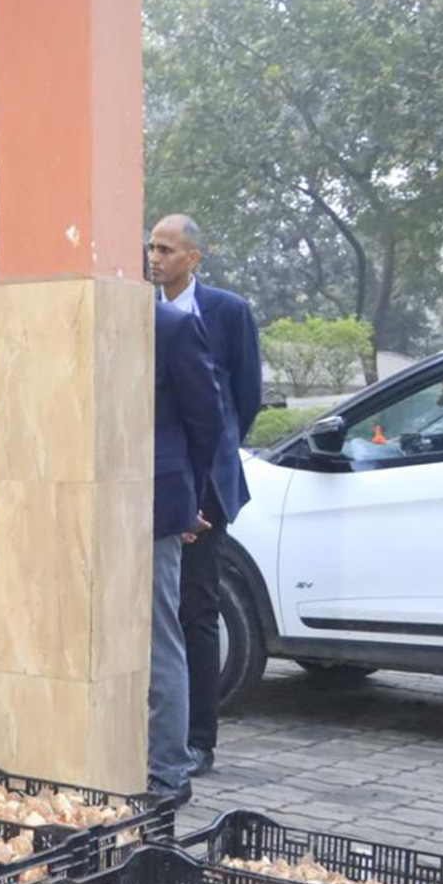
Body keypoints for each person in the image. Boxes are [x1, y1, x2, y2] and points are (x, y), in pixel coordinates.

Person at [148, 214, 262, 775]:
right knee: (161, 608)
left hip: (208, 483)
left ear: (193, 257)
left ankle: (199, 739)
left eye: (167, 249)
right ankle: (164, 730)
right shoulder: (143, 314)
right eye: (151, 247)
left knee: (197, 608)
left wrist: (207, 479)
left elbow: (240, 401)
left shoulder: (227, 311)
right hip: (165, 485)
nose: (156, 257)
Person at [148, 303, 225, 801]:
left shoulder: (172, 327)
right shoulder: (80, 319)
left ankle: (168, 770)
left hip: (158, 501)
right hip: (89, 502)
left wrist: (190, 499)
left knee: (159, 636)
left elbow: (208, 420)